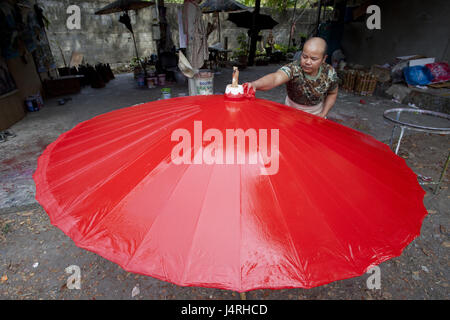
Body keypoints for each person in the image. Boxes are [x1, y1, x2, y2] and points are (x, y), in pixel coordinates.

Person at [245, 37, 338, 118]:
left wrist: (323, 113)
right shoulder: (294, 68)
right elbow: (275, 78)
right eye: (304, 56)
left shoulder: (329, 72)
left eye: (314, 59)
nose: (307, 62)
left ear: (324, 58)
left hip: (317, 114)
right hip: (290, 112)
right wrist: (254, 84)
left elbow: (332, 93)